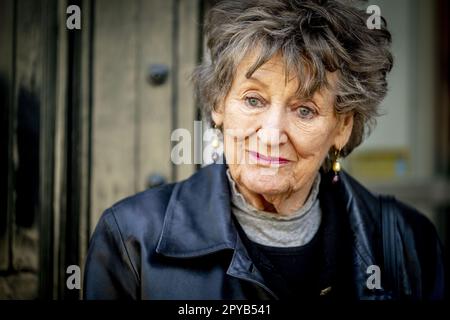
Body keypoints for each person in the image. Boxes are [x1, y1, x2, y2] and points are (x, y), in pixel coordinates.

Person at [84, 0, 445, 300]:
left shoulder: (407, 242)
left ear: (342, 126)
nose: (272, 135)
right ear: (219, 104)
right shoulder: (132, 239)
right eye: (254, 99)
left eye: (305, 110)